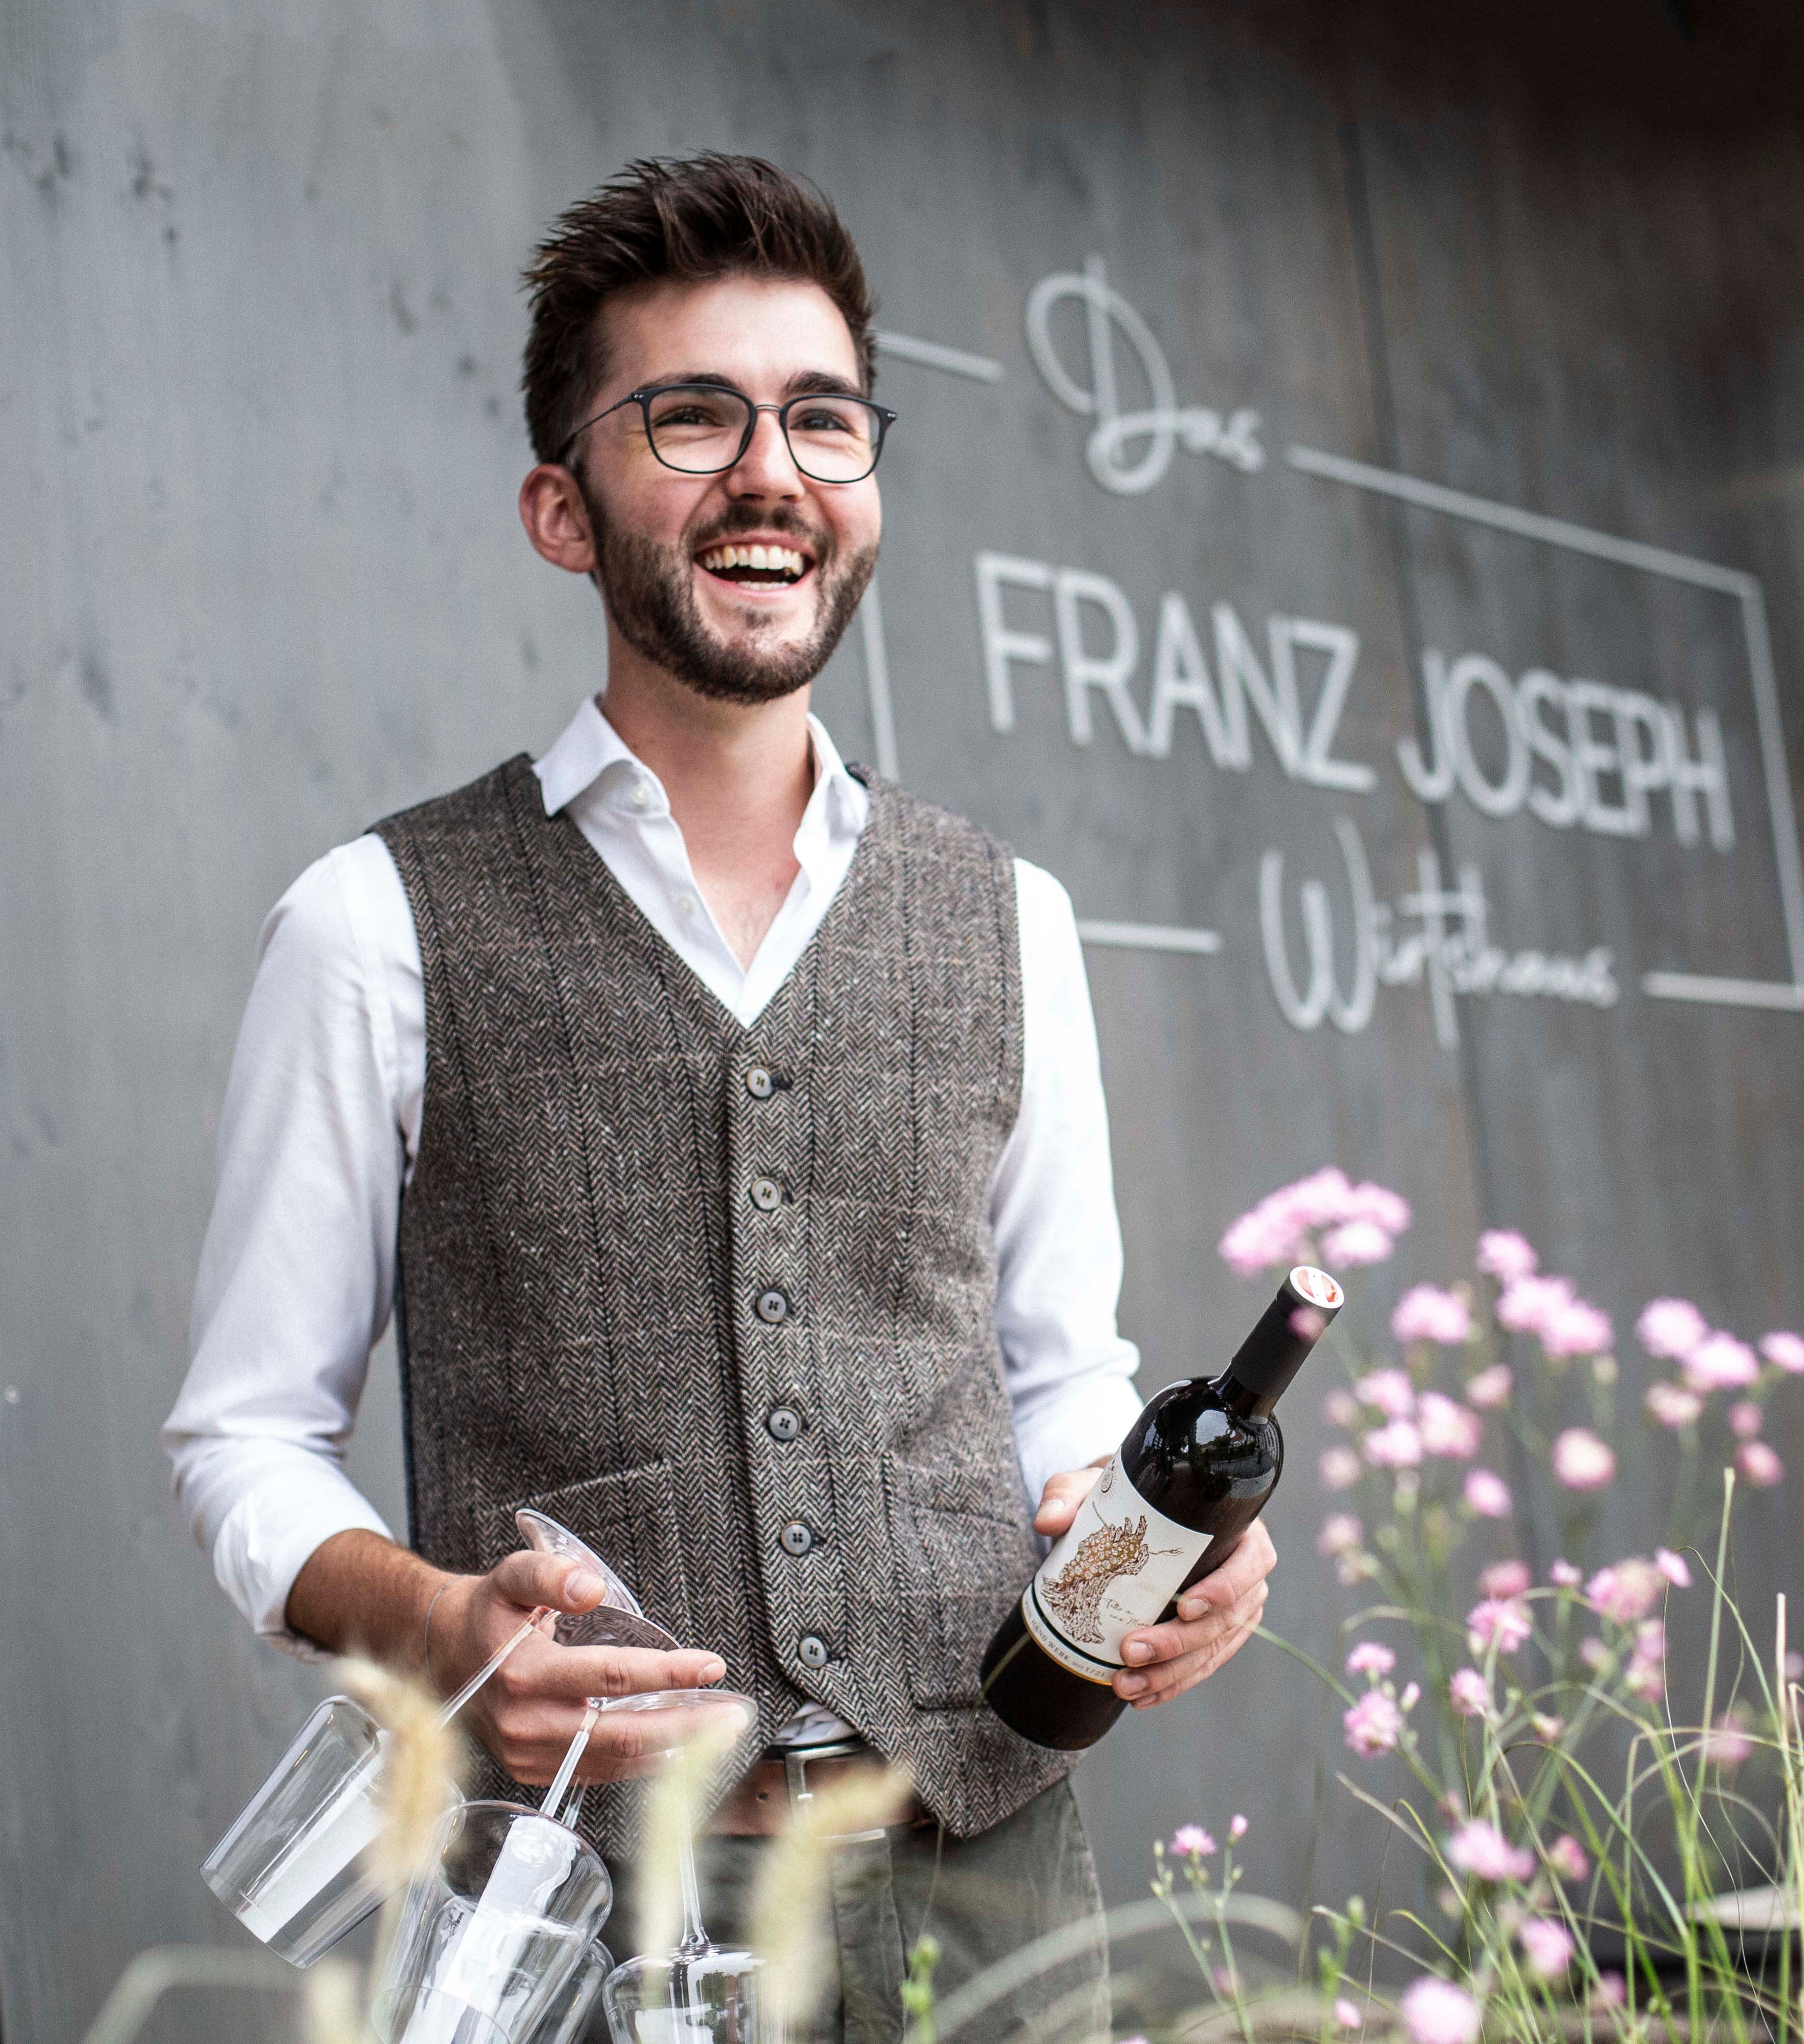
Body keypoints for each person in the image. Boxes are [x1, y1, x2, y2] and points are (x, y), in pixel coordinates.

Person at [162, 153, 1279, 2037]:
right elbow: (243, 1443)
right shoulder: (374, 926)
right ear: (559, 504)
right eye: (692, 415)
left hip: (996, 1879)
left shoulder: (1010, 917)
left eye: (823, 419)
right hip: (596, 1905)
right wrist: (440, 1629)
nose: (770, 469)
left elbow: (1052, 1375)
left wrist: (1156, 1548)